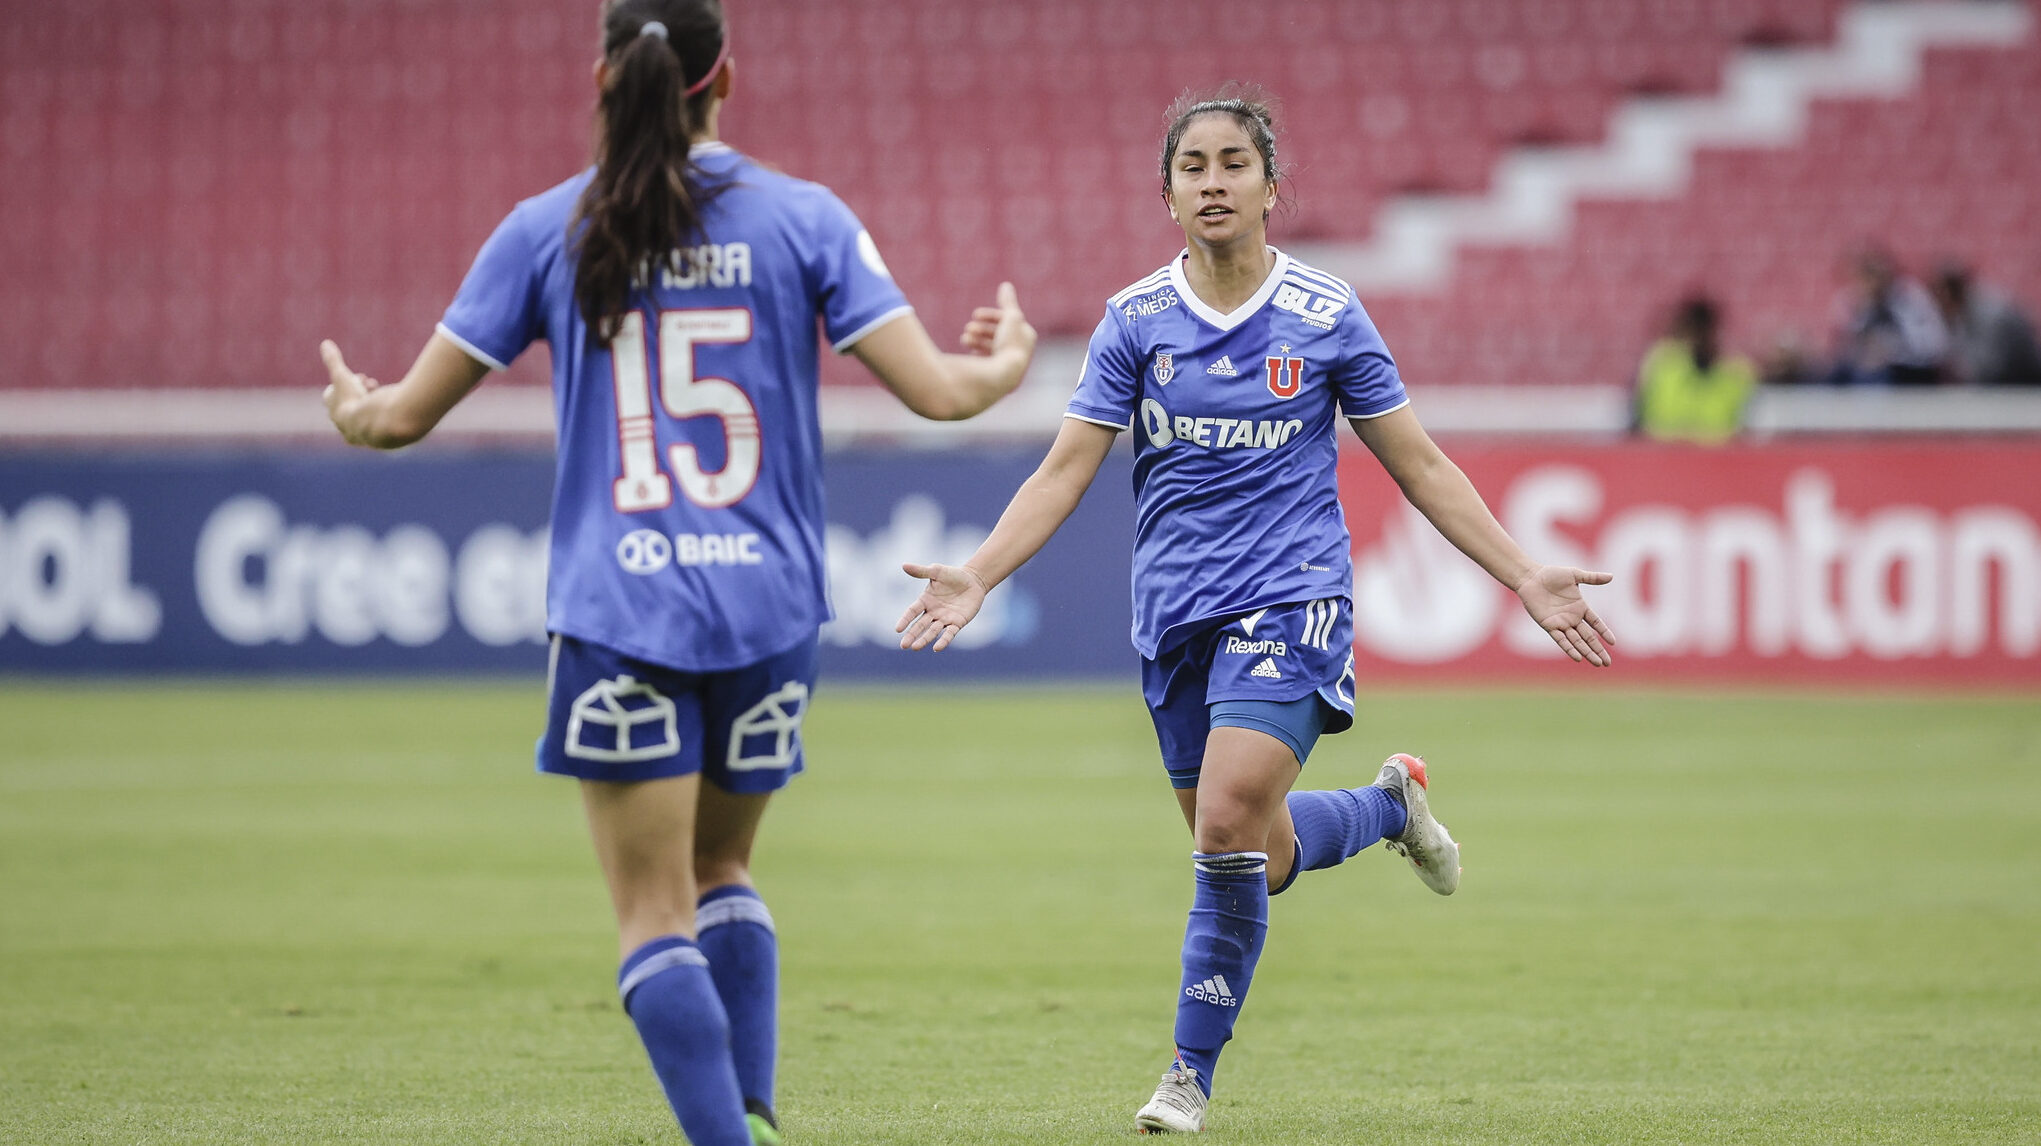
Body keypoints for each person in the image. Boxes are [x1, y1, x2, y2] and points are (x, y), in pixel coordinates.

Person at [319, 2, 1037, 1142]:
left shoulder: (548, 226)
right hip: (770, 604)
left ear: (604, 80)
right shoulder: (803, 217)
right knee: (724, 868)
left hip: (623, 608)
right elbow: (941, 394)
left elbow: (401, 418)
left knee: (652, 910)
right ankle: (750, 1114)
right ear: (726, 81)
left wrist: (358, 416)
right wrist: (1001, 367)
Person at [893, 87, 1614, 1135]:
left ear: (1273, 188)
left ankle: (1185, 1074)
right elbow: (1062, 471)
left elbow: (1416, 462)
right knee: (1255, 854)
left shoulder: (1326, 313)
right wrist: (980, 571)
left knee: (1226, 818)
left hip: (1292, 601)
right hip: (1173, 619)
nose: (1215, 181)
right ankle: (1387, 810)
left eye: (1235, 162)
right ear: (1167, 196)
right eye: (1194, 167)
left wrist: (1520, 572)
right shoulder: (1134, 322)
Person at [1633, 295, 1756, 443]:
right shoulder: (1662, 363)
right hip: (1666, 455)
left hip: (1718, 458)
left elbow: (1744, 429)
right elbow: (1643, 422)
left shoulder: (1737, 373)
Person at [1826, 245, 1948, 386]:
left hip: (1911, 367)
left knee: (1876, 378)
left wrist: (1890, 352)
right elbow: (1847, 345)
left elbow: (1929, 345)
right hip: (1872, 366)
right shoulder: (1859, 302)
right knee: (1836, 375)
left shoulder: (1908, 296)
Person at [1929, 262, 2041, 386]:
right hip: (2008, 384)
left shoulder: (1990, 313)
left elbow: (1990, 368)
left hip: (2025, 385)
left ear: (1948, 292)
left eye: (1939, 294)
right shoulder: (1966, 310)